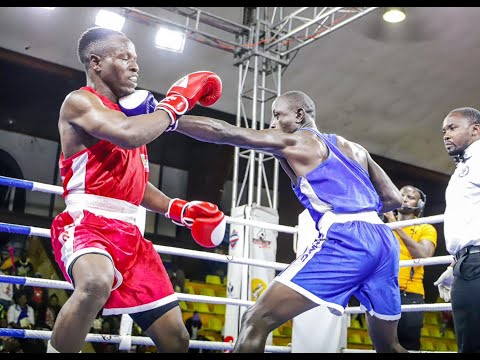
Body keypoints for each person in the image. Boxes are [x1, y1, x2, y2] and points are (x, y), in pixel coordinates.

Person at [175, 90, 407, 352]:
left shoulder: (295, 142)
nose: (273, 124)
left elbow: (224, 131)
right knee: (389, 345)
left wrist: (168, 118)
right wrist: (360, 209)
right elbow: (393, 198)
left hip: (347, 239)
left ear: (299, 114)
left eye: (277, 115)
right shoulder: (355, 149)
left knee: (255, 319)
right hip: (384, 242)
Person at [47, 26, 225, 353]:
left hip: (130, 234)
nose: (134, 65)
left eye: (136, 59)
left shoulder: (133, 117)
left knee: (176, 339)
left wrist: (177, 208)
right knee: (95, 283)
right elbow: (128, 134)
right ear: (96, 62)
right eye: (123, 57)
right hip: (87, 224)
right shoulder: (80, 102)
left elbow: (134, 183)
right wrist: (172, 107)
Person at [434, 107, 480, 353]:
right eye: (443, 131)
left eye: (452, 128)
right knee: (469, 341)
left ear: (475, 130)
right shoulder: (464, 167)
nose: (445, 135)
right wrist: (456, 264)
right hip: (466, 263)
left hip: (477, 261)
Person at [383, 185, 437, 350]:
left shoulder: (426, 227)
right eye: (401, 195)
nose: (405, 199)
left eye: (410, 197)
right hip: (383, 291)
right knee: (382, 345)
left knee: (409, 345)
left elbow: (424, 254)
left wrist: (395, 225)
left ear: (419, 204)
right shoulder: (384, 228)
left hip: (410, 294)